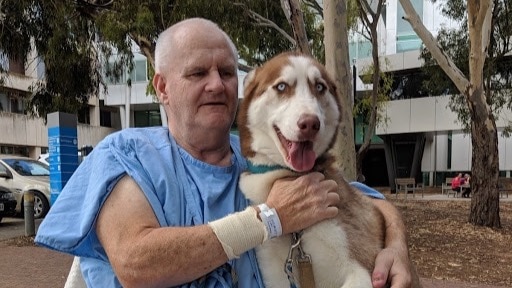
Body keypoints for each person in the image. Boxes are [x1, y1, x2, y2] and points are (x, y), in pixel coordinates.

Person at [35, 18, 414, 288]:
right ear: (162, 87)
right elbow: (137, 262)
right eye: (198, 73)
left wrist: (396, 248)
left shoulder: (270, 155)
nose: (216, 84)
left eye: (227, 72)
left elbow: (368, 202)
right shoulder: (129, 154)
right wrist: (269, 218)